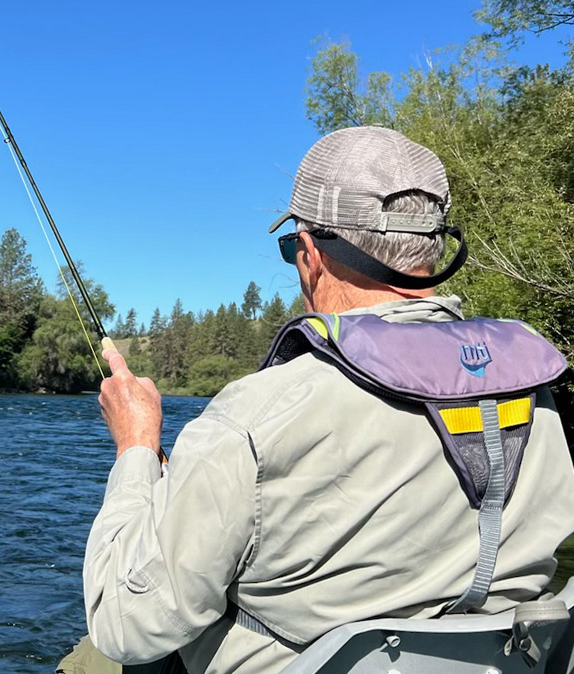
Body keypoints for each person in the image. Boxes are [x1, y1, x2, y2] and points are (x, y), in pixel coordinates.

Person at [58, 126, 574, 674]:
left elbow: (127, 626)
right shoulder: (537, 399)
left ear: (309, 254)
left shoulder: (254, 417)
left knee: (94, 658)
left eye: (290, 249)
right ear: (435, 249)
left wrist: (136, 448)